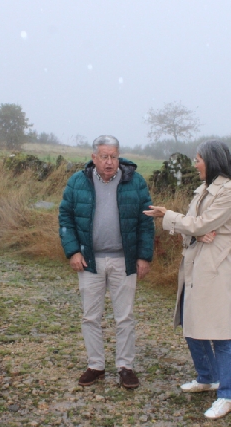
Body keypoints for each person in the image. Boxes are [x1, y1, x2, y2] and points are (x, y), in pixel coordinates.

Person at [143, 140, 231, 420]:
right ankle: (207, 377)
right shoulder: (202, 190)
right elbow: (193, 227)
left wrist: (175, 219)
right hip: (195, 265)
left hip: (216, 270)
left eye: (198, 159)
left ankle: (228, 394)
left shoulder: (229, 190)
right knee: (191, 323)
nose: (195, 164)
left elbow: (200, 223)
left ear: (212, 160)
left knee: (220, 332)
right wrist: (195, 232)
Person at [58, 135, 155, 390]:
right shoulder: (78, 182)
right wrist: (73, 252)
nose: (110, 162)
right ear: (94, 158)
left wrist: (144, 256)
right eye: (104, 157)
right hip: (90, 261)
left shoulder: (134, 181)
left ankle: (125, 367)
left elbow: (146, 221)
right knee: (91, 316)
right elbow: (65, 218)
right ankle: (96, 365)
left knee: (124, 317)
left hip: (125, 260)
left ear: (118, 156)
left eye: (113, 156)